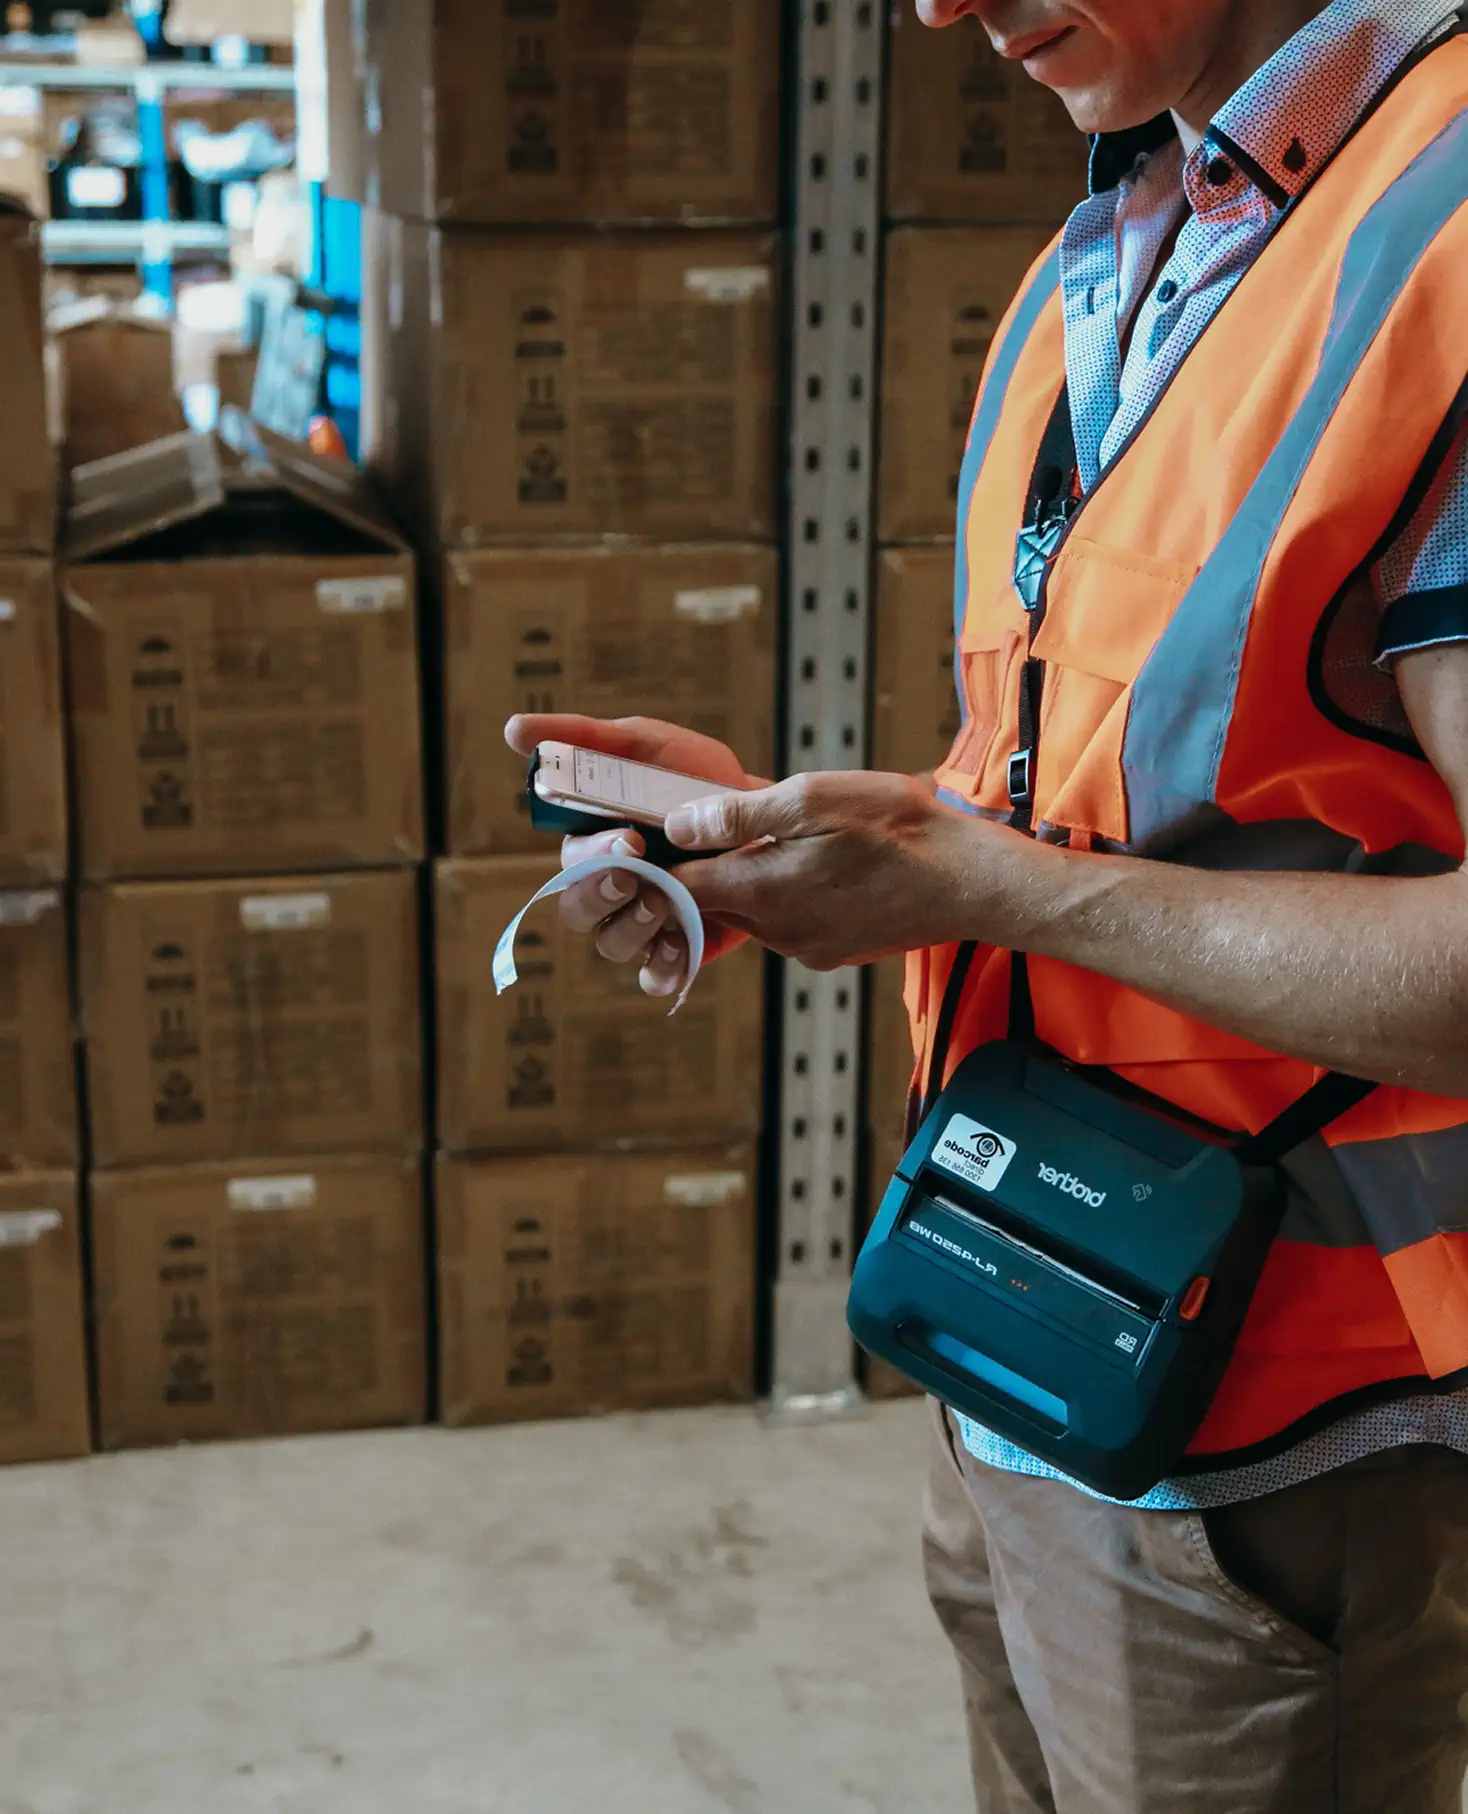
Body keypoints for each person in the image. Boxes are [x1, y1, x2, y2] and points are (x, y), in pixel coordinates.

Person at [506, 1, 1468, 1806]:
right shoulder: (1117, 247)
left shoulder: (1444, 233)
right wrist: (780, 855)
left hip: (1275, 1422)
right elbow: (1102, 784)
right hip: (1028, 1315)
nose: (940, 5)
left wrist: (993, 885)